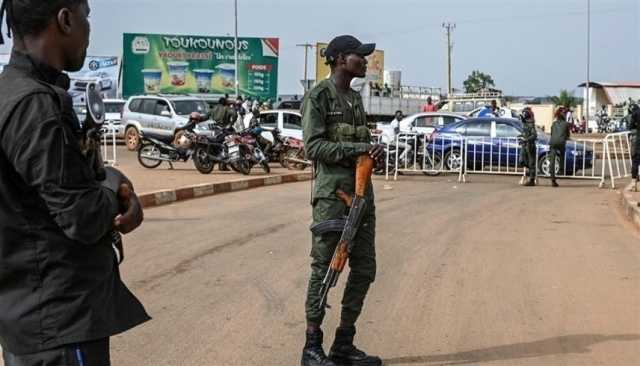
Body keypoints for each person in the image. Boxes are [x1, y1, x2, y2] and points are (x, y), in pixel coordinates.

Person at [0, 1, 149, 364]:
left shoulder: (12, 93)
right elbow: (81, 215)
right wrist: (116, 188)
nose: (88, 28)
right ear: (65, 20)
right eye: (87, 16)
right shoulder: (36, 106)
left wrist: (111, 182)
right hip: (59, 326)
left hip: (31, 318)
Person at [301, 35, 385, 366]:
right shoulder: (318, 96)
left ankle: (343, 344)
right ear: (338, 59)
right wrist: (358, 150)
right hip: (332, 197)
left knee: (364, 268)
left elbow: (359, 144)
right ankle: (311, 347)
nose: (365, 60)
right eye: (359, 55)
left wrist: (371, 149)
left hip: (362, 195)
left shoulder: (354, 98)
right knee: (324, 268)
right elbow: (313, 147)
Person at [549, 106, 571, 187]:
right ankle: (561, 169)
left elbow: (552, 133)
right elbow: (568, 135)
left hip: (553, 142)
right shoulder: (566, 124)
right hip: (561, 142)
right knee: (562, 154)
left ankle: (552, 179)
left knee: (552, 160)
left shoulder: (554, 123)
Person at [519, 107, 537, 186]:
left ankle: (532, 180)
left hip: (530, 145)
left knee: (531, 163)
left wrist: (527, 139)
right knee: (522, 161)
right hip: (524, 145)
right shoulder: (524, 124)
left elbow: (534, 135)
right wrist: (521, 137)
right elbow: (524, 133)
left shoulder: (530, 124)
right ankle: (529, 173)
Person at [628, 103, 640, 191]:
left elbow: (630, 126)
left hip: (638, 140)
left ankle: (633, 184)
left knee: (635, 160)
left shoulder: (636, 113)